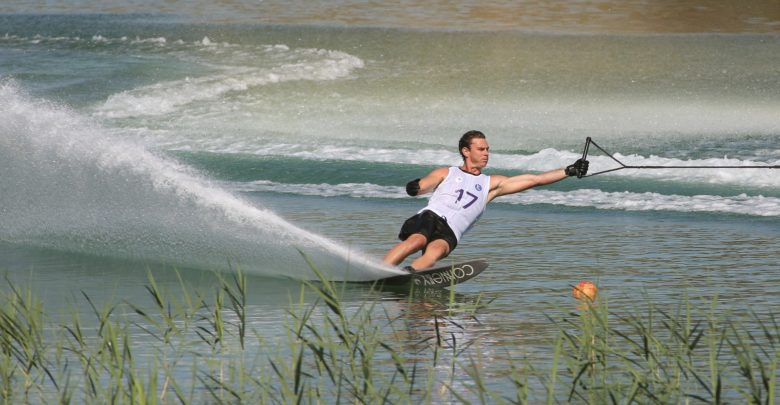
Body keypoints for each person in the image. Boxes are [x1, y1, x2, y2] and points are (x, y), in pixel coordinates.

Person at [383, 130, 588, 272]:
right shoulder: (447, 172)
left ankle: (408, 275)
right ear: (466, 151)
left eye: (487, 149)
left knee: (435, 251)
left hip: (452, 231)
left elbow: (535, 179)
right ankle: (381, 270)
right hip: (432, 217)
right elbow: (424, 185)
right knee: (417, 240)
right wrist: (416, 187)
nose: (486, 153)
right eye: (481, 149)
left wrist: (569, 170)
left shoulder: (491, 184)